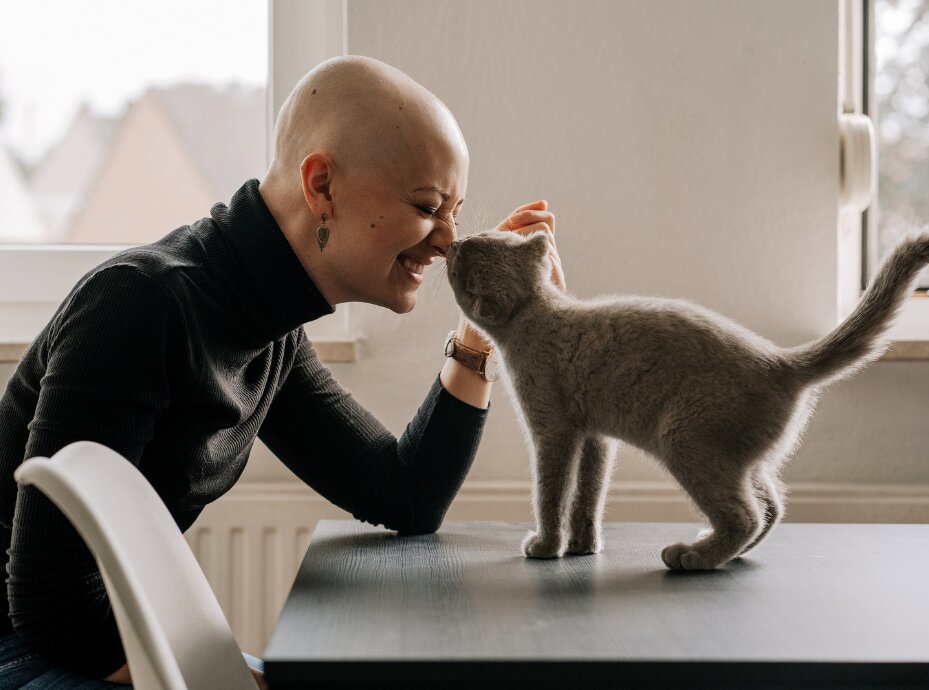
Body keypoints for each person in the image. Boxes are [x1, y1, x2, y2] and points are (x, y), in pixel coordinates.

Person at [0, 56, 565, 688]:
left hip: (75, 639)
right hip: (27, 645)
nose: (447, 242)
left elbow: (404, 494)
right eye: (429, 205)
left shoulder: (267, 329)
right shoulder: (140, 304)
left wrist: (484, 333)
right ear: (321, 185)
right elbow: (51, 601)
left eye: (455, 212)